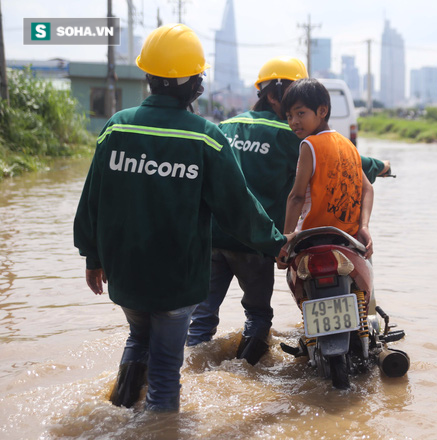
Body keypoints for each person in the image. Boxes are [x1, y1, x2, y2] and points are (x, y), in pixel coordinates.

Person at [73, 24, 290, 412]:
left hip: (126, 273)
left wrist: (93, 256)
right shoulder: (205, 137)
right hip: (176, 278)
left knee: (138, 339)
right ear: (195, 85)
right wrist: (278, 245)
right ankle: (159, 431)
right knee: (166, 372)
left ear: (148, 77)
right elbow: (239, 209)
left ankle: (119, 413)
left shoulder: (117, 127)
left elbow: (93, 199)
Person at [186, 57, 388, 364]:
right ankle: (247, 371)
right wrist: (382, 166)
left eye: (301, 109)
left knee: (201, 317)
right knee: (257, 315)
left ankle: (192, 370)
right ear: (275, 95)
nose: (294, 115)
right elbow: (342, 161)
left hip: (211, 237)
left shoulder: (223, 128)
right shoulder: (292, 137)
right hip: (255, 239)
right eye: (292, 100)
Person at [279, 78, 374, 258]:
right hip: (348, 240)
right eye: (289, 116)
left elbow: (297, 197)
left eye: (300, 113)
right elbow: (367, 188)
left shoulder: (309, 144)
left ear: (322, 111)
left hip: (311, 238)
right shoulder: (348, 145)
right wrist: (364, 227)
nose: (294, 122)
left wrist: (285, 243)